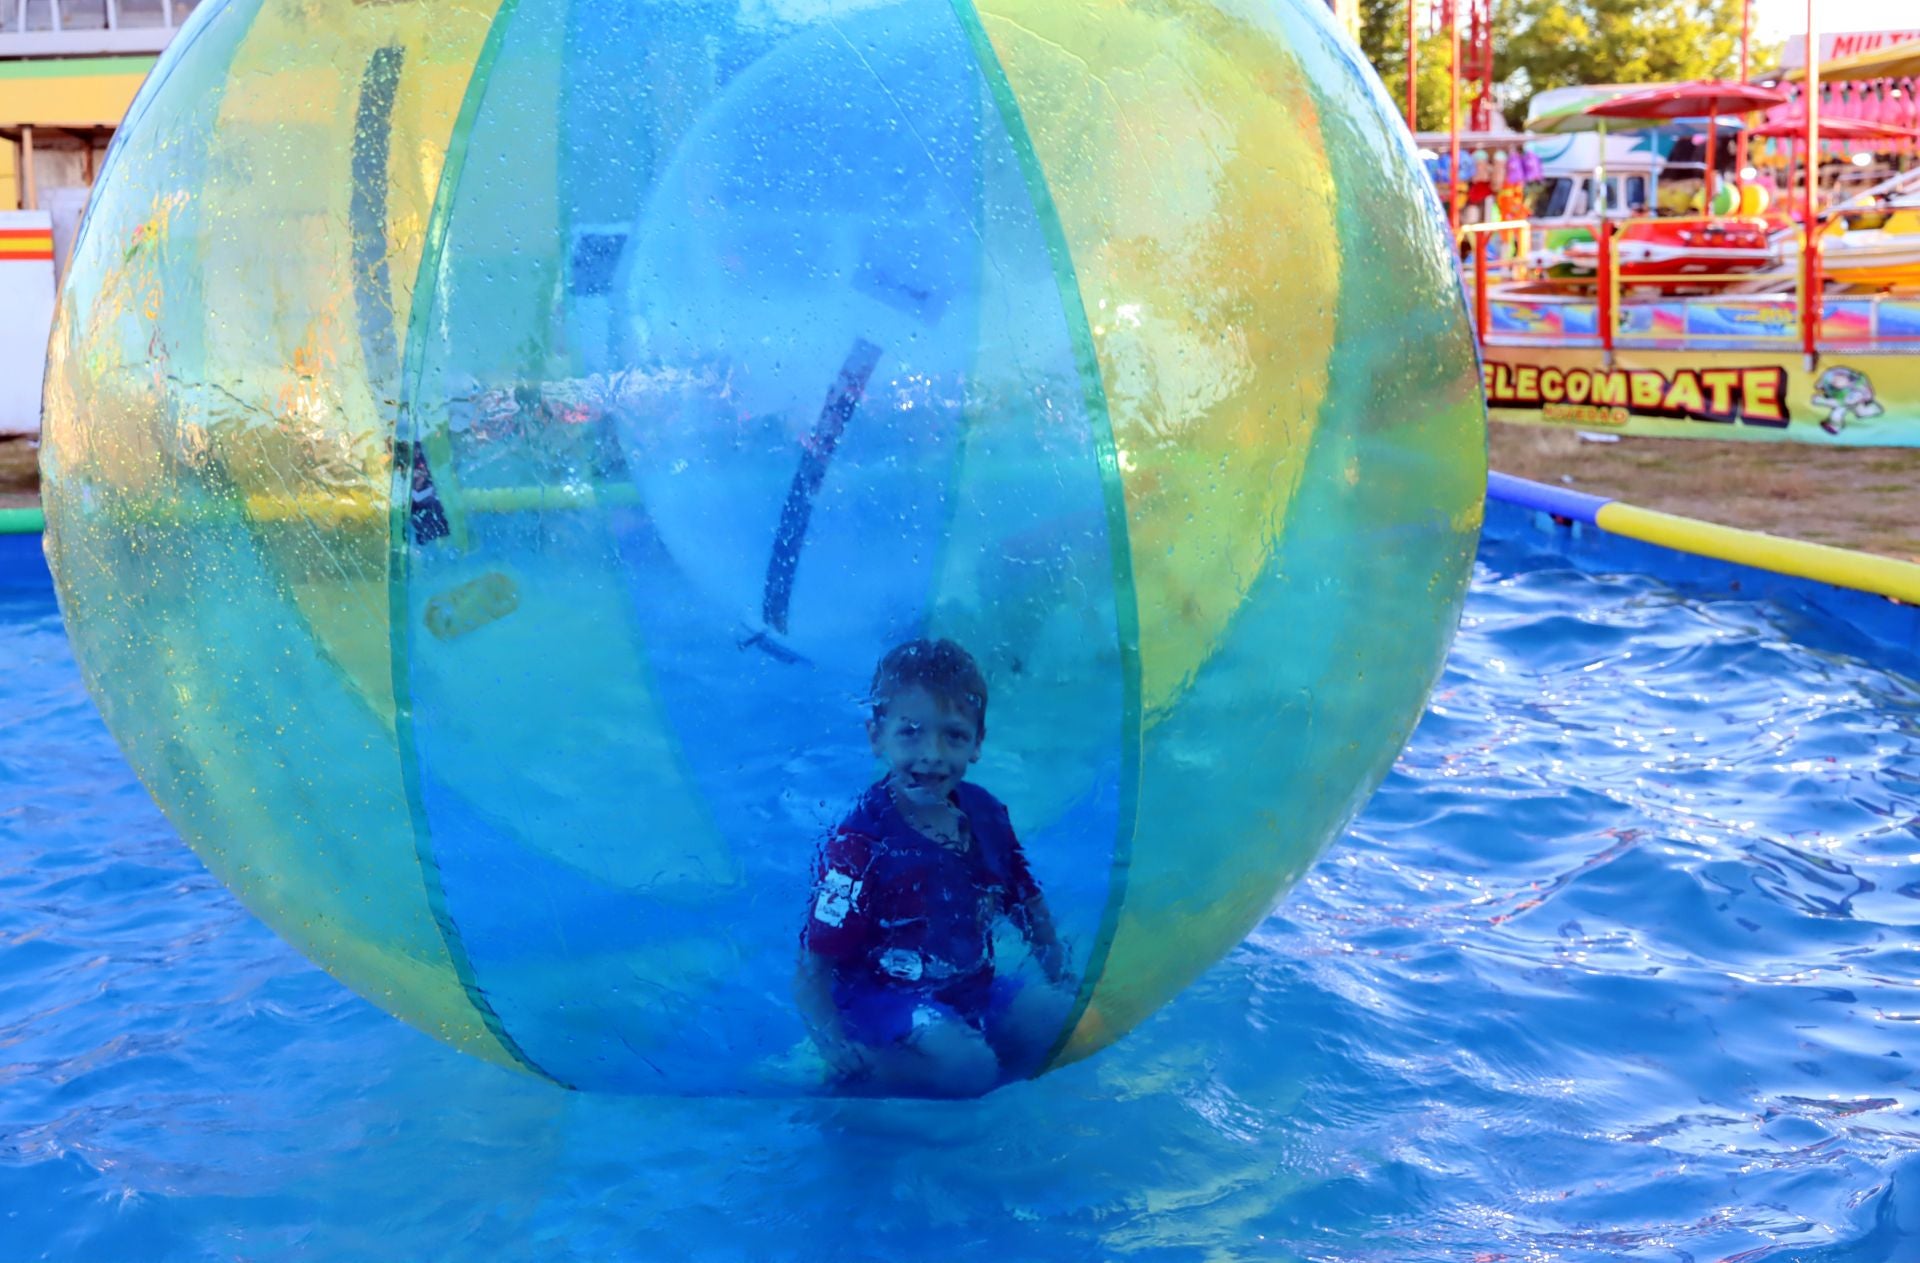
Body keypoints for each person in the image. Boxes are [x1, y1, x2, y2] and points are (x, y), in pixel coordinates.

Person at [796, 637, 1073, 1096]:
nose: (933, 753)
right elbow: (812, 968)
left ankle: (962, 1065)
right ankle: (863, 1076)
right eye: (910, 732)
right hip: (881, 998)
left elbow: (1028, 905)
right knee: (971, 1070)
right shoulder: (860, 846)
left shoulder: (985, 816)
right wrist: (833, 1046)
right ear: (876, 738)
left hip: (966, 985)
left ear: (977, 744)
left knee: (1057, 1022)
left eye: (954, 735)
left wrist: (1059, 974)